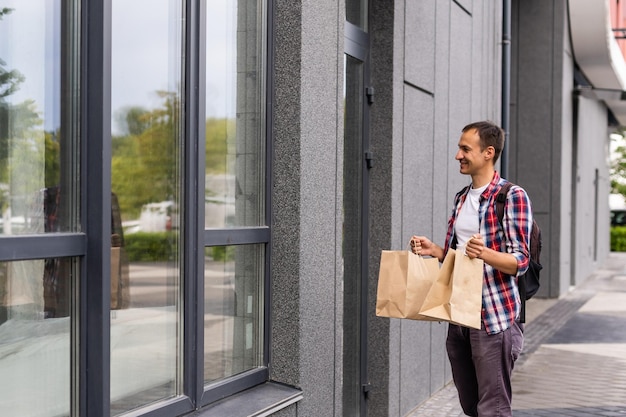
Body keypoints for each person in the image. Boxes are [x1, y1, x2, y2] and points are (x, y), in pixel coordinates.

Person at [411, 120, 532, 417]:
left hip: (494, 317)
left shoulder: (511, 196)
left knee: (493, 408)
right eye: (459, 148)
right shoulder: (462, 198)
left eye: (465, 149)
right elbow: (459, 258)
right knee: (470, 405)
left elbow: (521, 261)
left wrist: (487, 253)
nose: (458, 155)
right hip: (460, 314)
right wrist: (437, 251)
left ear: (488, 152)